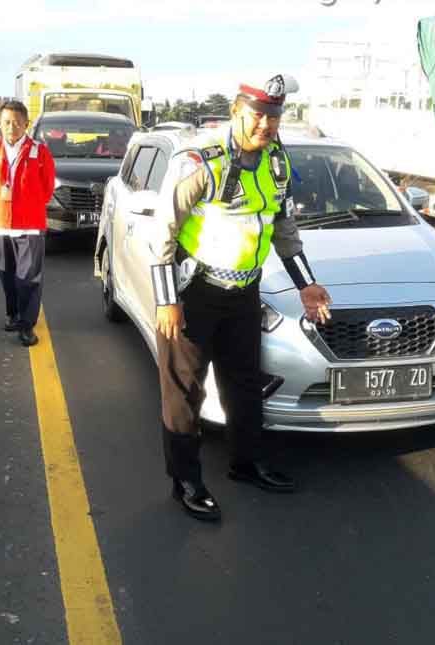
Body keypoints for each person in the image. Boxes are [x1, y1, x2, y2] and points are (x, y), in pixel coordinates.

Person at [149, 74, 332, 521]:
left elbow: (283, 229)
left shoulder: (276, 163)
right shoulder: (201, 161)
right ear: (236, 111)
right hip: (193, 293)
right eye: (258, 115)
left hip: (244, 293)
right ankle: (186, 481)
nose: (266, 125)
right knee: (183, 391)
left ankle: (246, 463)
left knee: (244, 384)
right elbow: (163, 230)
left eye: (274, 116)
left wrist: (306, 284)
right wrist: (167, 300)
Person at [0, 100, 56, 347]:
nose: (11, 127)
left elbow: (47, 188)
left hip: (29, 226)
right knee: (6, 275)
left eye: (16, 122)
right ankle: (12, 314)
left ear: (26, 124)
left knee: (28, 278)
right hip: (0, 224)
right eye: (6, 122)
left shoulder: (39, 151)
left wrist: (28, 205)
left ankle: (26, 326)